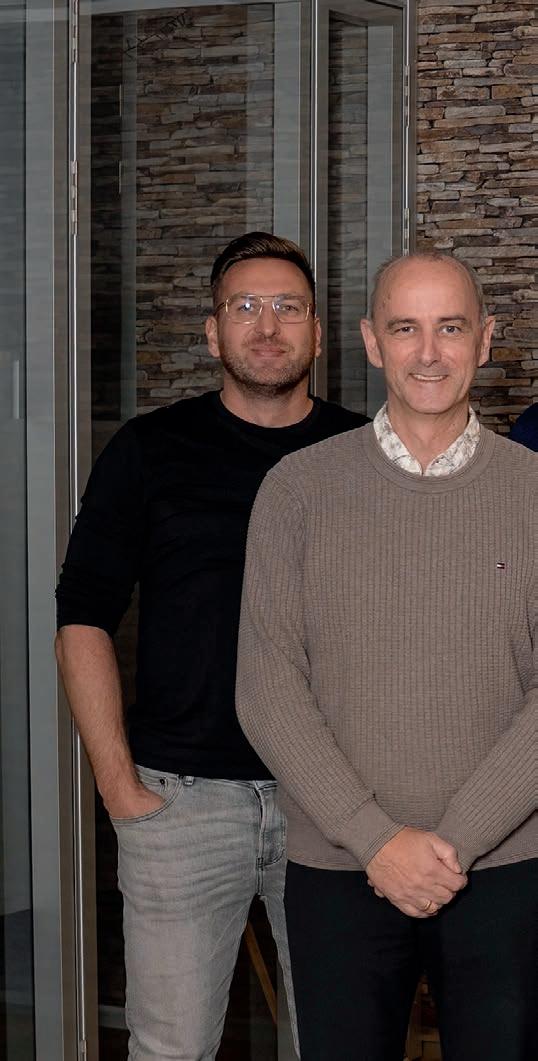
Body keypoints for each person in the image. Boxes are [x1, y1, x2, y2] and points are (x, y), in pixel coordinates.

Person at [55, 231, 367, 1061]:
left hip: (334, 807)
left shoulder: (366, 454)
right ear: (213, 331)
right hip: (181, 805)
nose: (267, 325)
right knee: (172, 1048)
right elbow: (81, 614)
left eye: (288, 307)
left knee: (342, 1042)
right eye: (245, 306)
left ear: (317, 332)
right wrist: (119, 786)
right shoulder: (149, 450)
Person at [237, 251, 538, 1061]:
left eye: (451, 327)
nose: (428, 352)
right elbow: (267, 689)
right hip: (340, 865)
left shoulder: (534, 492)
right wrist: (374, 840)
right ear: (372, 341)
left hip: (506, 867)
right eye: (406, 328)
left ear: (486, 339)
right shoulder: (297, 491)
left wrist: (452, 844)